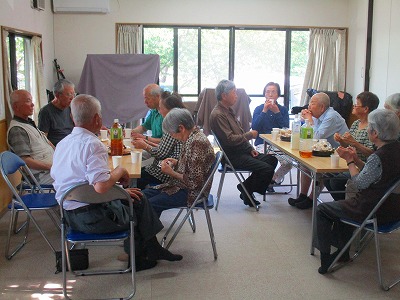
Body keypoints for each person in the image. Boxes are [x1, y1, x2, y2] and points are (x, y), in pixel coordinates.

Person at [51, 94, 182, 271]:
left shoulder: (63, 144)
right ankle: (141, 257)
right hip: (94, 218)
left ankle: (150, 250)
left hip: (68, 217)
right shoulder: (93, 144)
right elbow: (101, 186)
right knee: (138, 201)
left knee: (135, 196)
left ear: (72, 118)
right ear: (97, 119)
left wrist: (119, 191)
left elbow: (80, 184)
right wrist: (120, 170)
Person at [316, 109, 400, 274]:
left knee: (323, 210)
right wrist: (356, 160)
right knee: (342, 206)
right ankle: (343, 251)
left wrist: (349, 162)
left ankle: (326, 259)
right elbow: (374, 174)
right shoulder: (394, 149)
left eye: (369, 128)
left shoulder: (379, 156)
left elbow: (360, 183)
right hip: (394, 209)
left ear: (374, 133)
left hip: (374, 211)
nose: (367, 130)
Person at [210, 80, 278, 207]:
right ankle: (247, 190)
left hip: (242, 150)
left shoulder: (228, 110)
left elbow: (239, 132)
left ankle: (245, 188)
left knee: (272, 160)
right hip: (232, 156)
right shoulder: (218, 114)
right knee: (266, 170)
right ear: (224, 96)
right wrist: (250, 135)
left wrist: (249, 147)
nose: (236, 95)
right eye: (234, 93)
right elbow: (230, 140)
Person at [142, 108, 215, 217]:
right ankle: (145, 231)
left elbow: (195, 182)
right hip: (180, 186)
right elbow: (191, 165)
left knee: (149, 203)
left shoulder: (197, 142)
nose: (171, 136)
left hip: (191, 193)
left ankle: (146, 233)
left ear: (181, 128)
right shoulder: (191, 136)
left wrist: (171, 172)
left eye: (171, 133)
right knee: (141, 196)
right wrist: (176, 162)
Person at [288, 92, 348, 209]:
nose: (309, 107)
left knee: (319, 170)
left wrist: (309, 119)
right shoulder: (318, 115)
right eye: (309, 103)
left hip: (338, 154)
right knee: (304, 163)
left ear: (322, 107)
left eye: (312, 104)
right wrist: (307, 120)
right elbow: (306, 134)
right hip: (323, 150)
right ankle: (303, 195)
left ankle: (311, 199)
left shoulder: (331, 116)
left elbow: (315, 136)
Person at [324, 91, 379, 200]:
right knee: (326, 176)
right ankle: (341, 203)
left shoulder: (373, 128)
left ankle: (346, 206)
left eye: (356, 104)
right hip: (349, 162)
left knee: (336, 182)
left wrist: (354, 143)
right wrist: (341, 140)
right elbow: (348, 144)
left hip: (362, 166)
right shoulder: (356, 123)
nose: (353, 106)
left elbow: (372, 154)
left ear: (365, 109)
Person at [132, 92, 184, 189]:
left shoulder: (173, 125)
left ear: (169, 110)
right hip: (167, 166)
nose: (159, 112)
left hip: (166, 171)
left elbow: (162, 153)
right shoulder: (177, 121)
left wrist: (145, 145)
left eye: (160, 108)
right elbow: (164, 147)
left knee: (135, 178)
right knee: (137, 172)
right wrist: (145, 142)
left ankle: (133, 200)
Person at [7, 90, 54, 185]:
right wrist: (51, 167)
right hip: (42, 176)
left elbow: (46, 141)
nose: (32, 104)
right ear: (16, 107)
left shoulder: (28, 122)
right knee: (79, 180)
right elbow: (25, 160)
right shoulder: (17, 130)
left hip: (52, 170)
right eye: (28, 101)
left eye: (31, 100)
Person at [252, 82, 290, 190]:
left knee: (288, 163)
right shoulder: (259, 109)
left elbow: (286, 129)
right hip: (262, 144)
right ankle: (265, 181)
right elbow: (254, 127)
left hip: (280, 145)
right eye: (268, 92)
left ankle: (272, 180)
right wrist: (264, 111)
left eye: (273, 92)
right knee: (268, 161)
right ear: (264, 94)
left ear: (278, 95)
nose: (270, 94)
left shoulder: (283, 110)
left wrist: (277, 112)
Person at [38, 79, 75, 146]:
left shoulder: (70, 108)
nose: (72, 98)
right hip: (58, 147)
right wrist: (56, 150)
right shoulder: (46, 111)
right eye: (69, 94)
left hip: (72, 144)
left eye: (73, 94)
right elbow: (44, 138)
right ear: (57, 95)